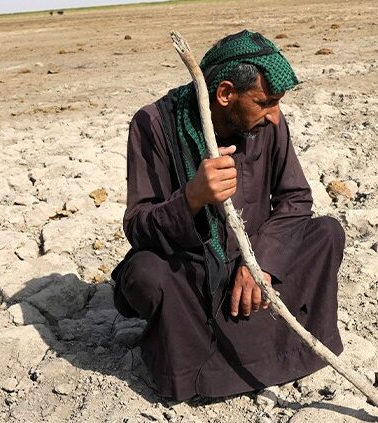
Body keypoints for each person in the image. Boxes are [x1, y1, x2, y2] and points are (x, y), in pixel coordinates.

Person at [111, 30, 345, 401]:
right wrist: (191, 197)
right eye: (265, 103)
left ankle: (267, 343)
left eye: (277, 104)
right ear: (224, 94)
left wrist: (262, 264)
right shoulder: (152, 124)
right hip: (194, 273)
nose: (274, 116)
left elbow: (295, 198)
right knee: (145, 275)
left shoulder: (270, 123)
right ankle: (202, 367)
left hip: (253, 268)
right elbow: (138, 227)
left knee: (327, 233)